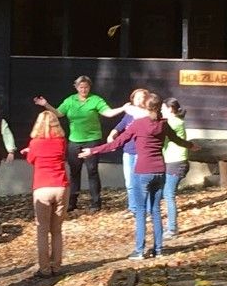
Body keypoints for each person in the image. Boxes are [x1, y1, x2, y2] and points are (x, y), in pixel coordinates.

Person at [79, 97, 190, 259]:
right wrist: (191, 146)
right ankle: (158, 250)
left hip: (143, 171)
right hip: (160, 170)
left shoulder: (138, 124)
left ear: (145, 107)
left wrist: (93, 151)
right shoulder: (163, 124)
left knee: (140, 212)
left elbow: (116, 143)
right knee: (156, 211)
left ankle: (139, 250)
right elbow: (178, 140)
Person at [33, 76, 129, 212]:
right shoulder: (70, 100)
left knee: (92, 171)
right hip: (74, 141)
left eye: (86, 87)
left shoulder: (95, 100)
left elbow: (108, 113)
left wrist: (122, 108)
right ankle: (72, 202)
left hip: (92, 140)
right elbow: (59, 113)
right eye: (81, 87)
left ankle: (96, 203)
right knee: (74, 172)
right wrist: (45, 105)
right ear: (76, 87)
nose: (83, 90)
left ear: (89, 87)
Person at [21, 109, 69, 277]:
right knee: (56, 230)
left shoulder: (35, 143)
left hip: (42, 187)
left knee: (42, 229)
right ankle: (57, 266)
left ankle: (45, 269)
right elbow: (61, 157)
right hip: (61, 186)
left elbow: (31, 160)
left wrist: (28, 151)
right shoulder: (61, 141)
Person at [108, 88, 151, 221]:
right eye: (136, 97)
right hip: (128, 152)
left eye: (141, 97)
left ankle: (147, 210)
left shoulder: (148, 114)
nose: (138, 100)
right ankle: (133, 208)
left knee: (142, 183)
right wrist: (112, 135)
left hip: (141, 153)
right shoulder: (129, 115)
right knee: (130, 183)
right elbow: (120, 126)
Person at [160, 97, 189, 239]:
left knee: (169, 194)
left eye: (162, 108)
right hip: (171, 161)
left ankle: (172, 228)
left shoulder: (174, 122)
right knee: (166, 194)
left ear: (170, 109)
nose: (160, 111)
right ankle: (170, 226)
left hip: (176, 162)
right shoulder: (172, 121)